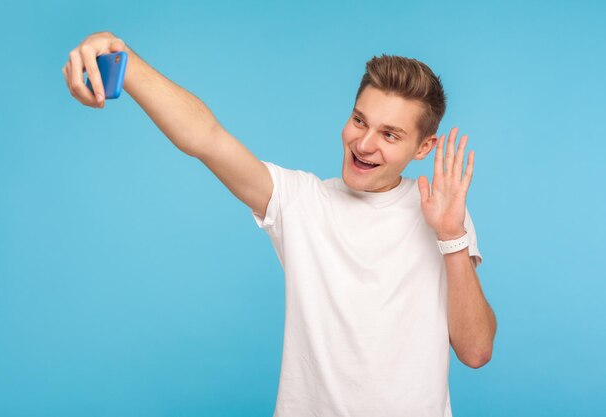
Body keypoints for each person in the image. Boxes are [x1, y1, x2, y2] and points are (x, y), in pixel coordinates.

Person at [63, 31, 497, 417]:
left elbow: (476, 351)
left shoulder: (442, 214)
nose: (362, 144)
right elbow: (207, 138)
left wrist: (451, 236)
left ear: (424, 148)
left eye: (389, 134)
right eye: (359, 120)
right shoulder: (301, 202)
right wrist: (125, 59)